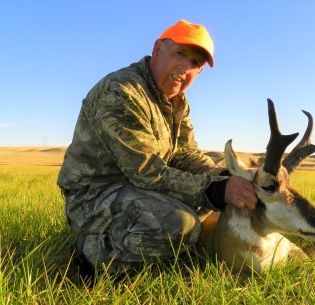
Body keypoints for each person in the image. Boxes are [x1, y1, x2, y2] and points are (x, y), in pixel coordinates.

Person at [57, 19, 257, 279]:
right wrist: (218, 189)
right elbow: (146, 172)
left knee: (219, 163)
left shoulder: (177, 102)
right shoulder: (121, 92)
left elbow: (185, 154)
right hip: (94, 196)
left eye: (195, 63)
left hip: (137, 187)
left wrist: (228, 177)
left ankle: (162, 235)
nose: (185, 68)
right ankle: (94, 254)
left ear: (200, 72)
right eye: (180, 54)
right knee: (181, 226)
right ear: (158, 49)